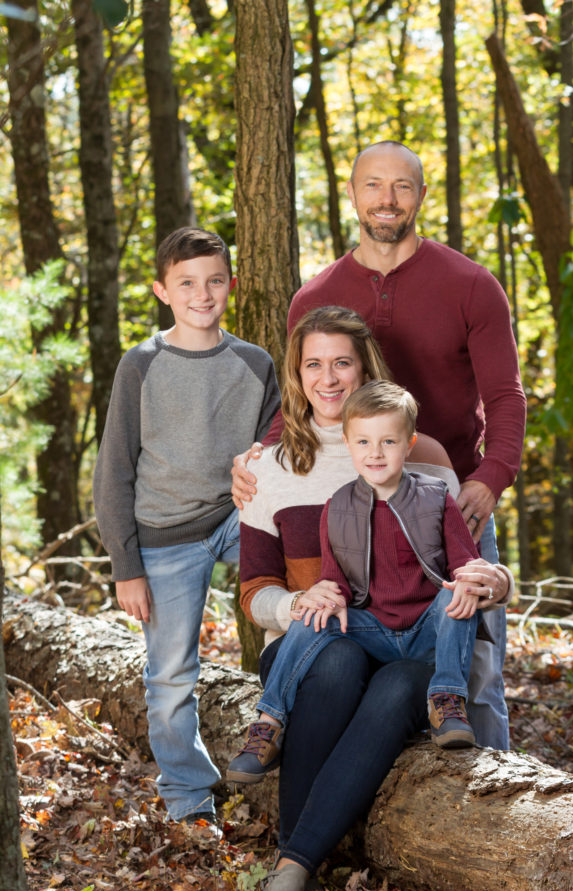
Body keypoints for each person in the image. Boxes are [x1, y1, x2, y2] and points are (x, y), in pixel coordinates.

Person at [234, 140, 526, 751]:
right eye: (372, 185)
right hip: (357, 508)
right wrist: (258, 456)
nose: (386, 199)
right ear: (353, 193)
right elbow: (307, 391)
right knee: (369, 667)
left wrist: (490, 478)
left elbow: (506, 397)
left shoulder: (471, 284)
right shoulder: (316, 296)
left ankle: (496, 805)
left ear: (420, 195)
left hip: (452, 500)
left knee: (475, 677)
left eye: (400, 186)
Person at [232, 306, 512, 891]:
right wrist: (298, 600)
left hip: (408, 640)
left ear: (365, 369)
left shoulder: (427, 457)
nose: (328, 378)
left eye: (342, 362)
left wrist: (494, 583)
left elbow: (471, 565)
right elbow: (255, 589)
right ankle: (297, 856)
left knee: (395, 687)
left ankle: (296, 863)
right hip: (315, 634)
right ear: (296, 374)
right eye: (313, 364)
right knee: (334, 661)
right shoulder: (265, 468)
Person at [93, 227, 280, 825]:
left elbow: (279, 450)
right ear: (162, 291)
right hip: (164, 536)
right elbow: (114, 470)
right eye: (187, 284)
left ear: (231, 285)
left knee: (298, 584)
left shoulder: (254, 363)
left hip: (234, 517)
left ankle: (292, 692)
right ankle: (187, 796)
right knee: (170, 674)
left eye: (215, 281)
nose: (203, 294)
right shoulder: (142, 365)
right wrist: (127, 568)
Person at [228, 380, 485, 784]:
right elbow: (336, 581)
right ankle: (268, 724)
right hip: (373, 629)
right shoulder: (338, 506)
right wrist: (325, 599)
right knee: (311, 614)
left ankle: (447, 702)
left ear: (409, 443)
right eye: (363, 442)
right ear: (348, 445)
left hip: (427, 629)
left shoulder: (436, 497)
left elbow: (466, 564)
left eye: (388, 442)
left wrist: (470, 582)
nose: (375, 453)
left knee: (458, 595)